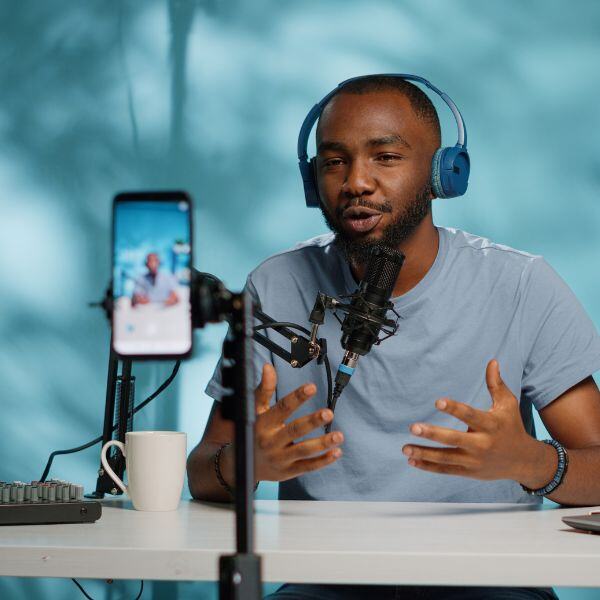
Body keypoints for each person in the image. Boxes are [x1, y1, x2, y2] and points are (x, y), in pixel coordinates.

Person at [186, 76, 600, 599]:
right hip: (327, 582)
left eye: (385, 157)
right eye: (334, 162)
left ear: (442, 174)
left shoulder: (520, 285)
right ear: (313, 182)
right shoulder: (275, 286)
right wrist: (247, 463)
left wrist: (531, 462)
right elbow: (204, 469)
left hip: (490, 581)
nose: (357, 181)